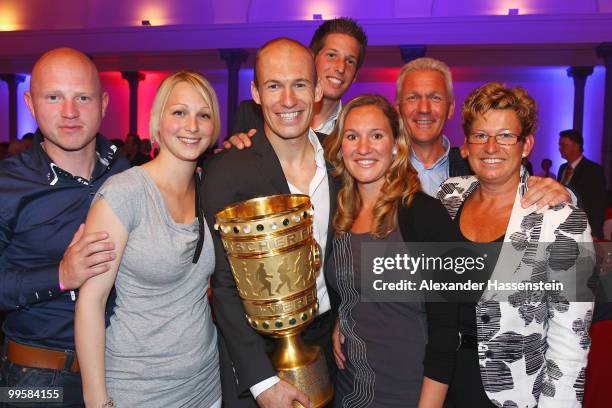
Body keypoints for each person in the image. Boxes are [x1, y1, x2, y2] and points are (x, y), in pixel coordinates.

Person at [431, 82, 593, 407]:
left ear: (527, 144)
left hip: (513, 392)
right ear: (466, 144)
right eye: (480, 135)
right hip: (438, 381)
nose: (491, 146)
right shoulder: (448, 197)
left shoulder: (561, 219)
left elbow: (570, 344)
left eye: (506, 135)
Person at [202, 38, 336, 408]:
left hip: (332, 348)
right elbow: (223, 286)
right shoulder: (228, 171)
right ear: (256, 93)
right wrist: (262, 383)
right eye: (274, 85)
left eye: (300, 84)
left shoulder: (342, 160)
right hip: (256, 360)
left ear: (319, 89)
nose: (288, 100)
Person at [75, 71, 222, 407]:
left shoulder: (209, 187)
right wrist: (96, 400)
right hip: (137, 388)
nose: (192, 125)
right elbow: (91, 303)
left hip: (205, 385)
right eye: (179, 112)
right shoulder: (125, 193)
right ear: (157, 119)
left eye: (204, 115)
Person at [0, 47, 128, 407]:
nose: (69, 112)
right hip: (32, 380)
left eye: (82, 97)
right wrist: (59, 275)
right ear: (30, 102)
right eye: (53, 97)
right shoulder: (7, 185)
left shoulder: (127, 172)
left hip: (120, 371)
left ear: (103, 104)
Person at [323, 94, 456, 407]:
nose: (364, 148)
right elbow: (353, 286)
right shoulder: (338, 214)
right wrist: (344, 313)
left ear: (396, 144)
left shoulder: (424, 215)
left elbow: (446, 329)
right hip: (349, 391)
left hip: (407, 395)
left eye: (377, 135)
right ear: (341, 146)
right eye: (352, 136)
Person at [395, 57, 571, 207]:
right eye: (412, 97)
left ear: (450, 108)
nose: (424, 108)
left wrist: (565, 194)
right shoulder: (378, 169)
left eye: (435, 98)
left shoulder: (478, 164)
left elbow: (524, 190)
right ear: (397, 108)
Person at [224, 17, 367, 149]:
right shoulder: (251, 113)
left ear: (355, 75)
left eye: (350, 61)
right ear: (311, 60)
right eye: (331, 55)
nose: (341, 67)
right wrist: (233, 150)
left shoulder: (353, 127)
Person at [558, 128, 606, 238]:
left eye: (563, 145)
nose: (559, 148)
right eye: (560, 145)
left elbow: (598, 205)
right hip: (563, 228)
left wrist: (595, 233)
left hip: (584, 230)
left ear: (576, 146)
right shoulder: (563, 168)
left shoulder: (593, 170)